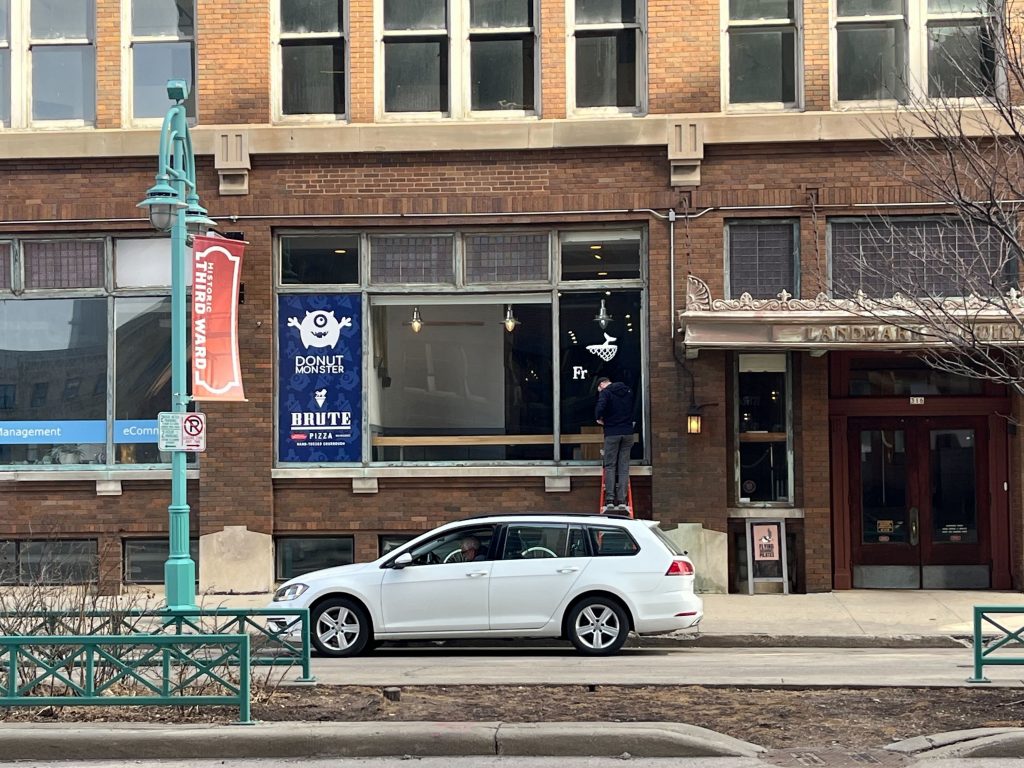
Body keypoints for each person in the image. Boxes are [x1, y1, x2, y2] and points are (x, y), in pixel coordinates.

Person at [595, 376, 635, 513]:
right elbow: (634, 409)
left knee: (610, 465)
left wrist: (599, 418)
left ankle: (610, 499)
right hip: (628, 432)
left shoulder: (606, 393)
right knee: (624, 466)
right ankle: (623, 500)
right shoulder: (628, 391)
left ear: (601, 385)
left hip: (612, 432)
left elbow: (600, 408)